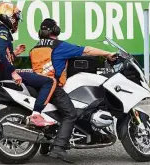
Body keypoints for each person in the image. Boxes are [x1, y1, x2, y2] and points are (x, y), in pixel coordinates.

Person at [29, 18, 117, 162]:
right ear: (55, 30)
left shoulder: (35, 48)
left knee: (54, 113)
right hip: (53, 87)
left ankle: (45, 146)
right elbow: (87, 50)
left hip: (38, 86)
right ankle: (59, 148)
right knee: (70, 114)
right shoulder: (59, 46)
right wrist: (107, 54)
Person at [0, 2, 57, 127]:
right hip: (6, 74)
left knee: (33, 73)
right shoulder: (2, 31)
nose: (15, 21)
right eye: (14, 18)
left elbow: (1, 57)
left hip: (0, 72)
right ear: (7, 16)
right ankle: (36, 114)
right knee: (50, 81)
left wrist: (14, 53)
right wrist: (13, 72)